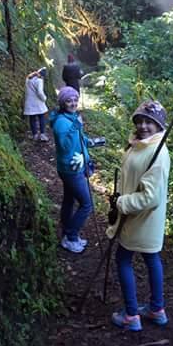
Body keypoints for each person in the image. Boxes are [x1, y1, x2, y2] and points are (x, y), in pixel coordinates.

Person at [107, 100, 170, 332]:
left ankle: (132, 315)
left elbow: (150, 197)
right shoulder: (141, 145)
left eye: (149, 122)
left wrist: (123, 203)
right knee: (151, 258)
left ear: (159, 125)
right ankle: (157, 309)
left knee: (123, 259)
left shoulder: (158, 153)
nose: (143, 126)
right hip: (141, 219)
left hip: (140, 218)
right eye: (140, 121)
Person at [50, 86, 105, 253]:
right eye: (69, 100)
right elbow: (65, 146)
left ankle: (67, 230)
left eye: (75, 99)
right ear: (63, 103)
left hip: (72, 168)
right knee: (87, 204)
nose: (73, 103)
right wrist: (75, 125)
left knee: (69, 199)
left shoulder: (71, 117)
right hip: (71, 169)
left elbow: (78, 138)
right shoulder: (61, 122)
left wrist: (92, 142)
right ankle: (71, 237)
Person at [23, 67, 49, 142]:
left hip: (30, 102)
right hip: (38, 102)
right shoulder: (39, 80)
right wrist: (44, 98)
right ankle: (42, 135)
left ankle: (34, 135)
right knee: (41, 118)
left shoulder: (28, 79)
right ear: (43, 76)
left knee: (32, 119)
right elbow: (40, 92)